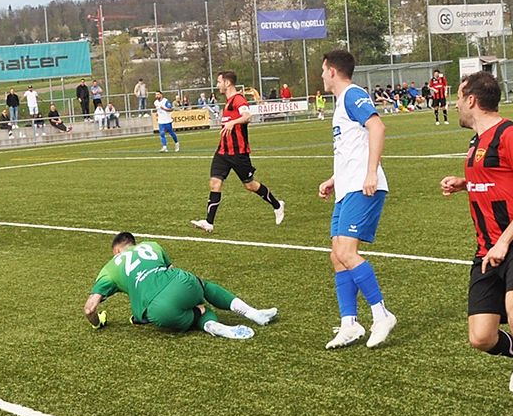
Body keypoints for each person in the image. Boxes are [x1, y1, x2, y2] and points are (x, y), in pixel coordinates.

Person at [439, 70, 513, 416]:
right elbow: (495, 179)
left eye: (458, 96)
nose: (454, 102)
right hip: (486, 248)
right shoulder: (476, 142)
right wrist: (463, 182)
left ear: (471, 99)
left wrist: (505, 240)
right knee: (481, 338)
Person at [316, 50, 396, 350]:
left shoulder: (352, 94)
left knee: (348, 252)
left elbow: (377, 126)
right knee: (337, 254)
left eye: (324, 70)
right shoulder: (341, 103)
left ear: (333, 71)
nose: (322, 76)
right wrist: (333, 180)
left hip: (364, 188)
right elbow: (352, 148)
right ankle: (349, 323)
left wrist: (371, 173)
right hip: (346, 188)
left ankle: (381, 313)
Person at [84, 232, 278, 339]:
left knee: (196, 313)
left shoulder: (111, 267)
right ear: (133, 243)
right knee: (203, 287)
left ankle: (213, 325)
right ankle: (252, 312)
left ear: (117, 251)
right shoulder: (151, 245)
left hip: (158, 311)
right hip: (181, 282)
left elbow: (89, 309)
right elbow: (171, 269)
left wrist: (97, 323)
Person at [190, 71, 284, 234]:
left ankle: (277, 205)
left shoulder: (238, 99)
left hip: (238, 153)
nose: (217, 84)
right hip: (222, 152)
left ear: (227, 83)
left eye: (219, 81)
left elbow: (247, 116)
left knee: (250, 185)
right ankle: (209, 222)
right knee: (215, 183)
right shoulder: (227, 103)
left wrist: (233, 122)